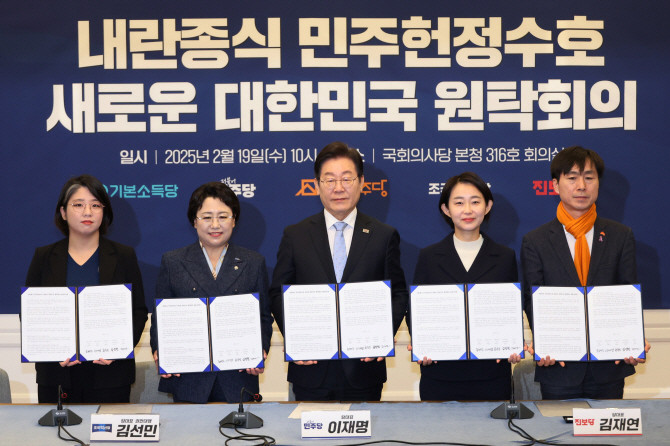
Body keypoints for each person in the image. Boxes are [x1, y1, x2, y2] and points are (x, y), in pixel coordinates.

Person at [270, 141, 408, 402]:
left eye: (346, 179)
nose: (338, 188)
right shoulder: (296, 235)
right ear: (317, 185)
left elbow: (398, 293)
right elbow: (278, 293)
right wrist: (298, 340)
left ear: (361, 182)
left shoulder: (383, 235)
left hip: (364, 368)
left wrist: (381, 337)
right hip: (311, 368)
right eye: (329, 180)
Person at [522, 145, 650, 400]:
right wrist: (546, 344)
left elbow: (627, 294)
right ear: (555, 185)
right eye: (572, 178)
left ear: (598, 183)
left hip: (609, 366)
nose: (581, 186)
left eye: (589, 177)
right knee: (557, 426)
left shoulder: (620, 236)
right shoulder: (535, 241)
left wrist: (631, 340)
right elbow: (532, 300)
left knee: (607, 426)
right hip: (558, 365)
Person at [25, 174, 148, 404]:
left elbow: (138, 311)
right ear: (63, 212)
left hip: (110, 374)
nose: (88, 212)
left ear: (104, 212)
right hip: (57, 372)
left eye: (95, 205)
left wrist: (118, 349)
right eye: (78, 205)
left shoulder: (123, 255)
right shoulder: (44, 257)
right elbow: (31, 313)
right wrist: (52, 350)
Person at [149, 182, 273, 403]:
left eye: (223, 216)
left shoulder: (253, 262)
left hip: (238, 377)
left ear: (234, 220)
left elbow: (263, 316)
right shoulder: (173, 262)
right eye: (207, 217)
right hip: (188, 377)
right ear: (194, 221)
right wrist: (161, 351)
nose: (215, 225)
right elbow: (161, 318)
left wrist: (260, 350)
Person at [409, 172, 522, 400]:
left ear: (488, 206)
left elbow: (510, 311)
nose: (468, 210)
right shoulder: (429, 256)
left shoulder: (505, 257)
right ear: (446, 209)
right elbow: (416, 310)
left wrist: (512, 345)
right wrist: (423, 345)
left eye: (475, 202)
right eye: (459, 203)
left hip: (491, 375)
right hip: (440, 373)